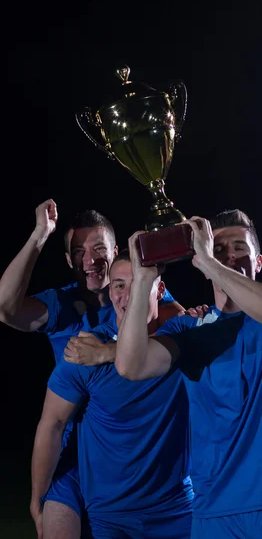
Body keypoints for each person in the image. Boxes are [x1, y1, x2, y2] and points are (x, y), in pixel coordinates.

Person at [115, 210, 262, 539]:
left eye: (240, 248)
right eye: (219, 247)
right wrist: (143, 280)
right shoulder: (188, 328)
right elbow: (130, 365)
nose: (229, 255)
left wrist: (212, 263)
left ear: (258, 262)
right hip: (214, 511)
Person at [0, 200, 181, 537]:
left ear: (115, 251)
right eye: (78, 251)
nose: (90, 260)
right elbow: (6, 308)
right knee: (54, 526)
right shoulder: (63, 304)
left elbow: (182, 335)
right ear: (68, 260)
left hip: (124, 452)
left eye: (99, 248)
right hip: (71, 452)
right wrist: (40, 235)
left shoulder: (141, 295)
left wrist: (107, 352)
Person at [32, 249, 193, 539]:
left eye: (140, 283)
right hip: (109, 516)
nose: (128, 295)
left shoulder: (184, 336)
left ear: (160, 291)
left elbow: (236, 323)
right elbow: (52, 423)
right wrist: (37, 499)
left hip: (177, 511)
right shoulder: (83, 351)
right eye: (119, 285)